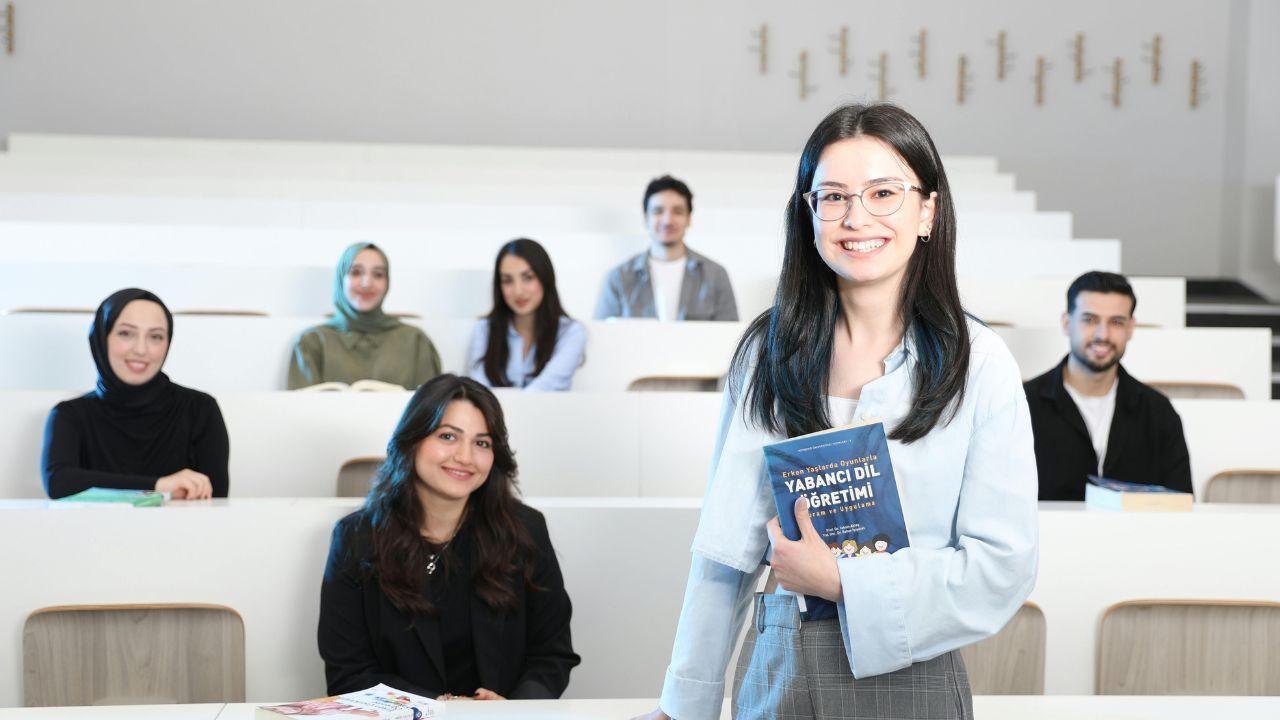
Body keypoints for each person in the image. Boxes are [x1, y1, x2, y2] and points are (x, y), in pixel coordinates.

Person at [633, 104, 1037, 720]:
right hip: (780, 656)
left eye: (883, 193)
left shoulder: (980, 363)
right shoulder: (769, 352)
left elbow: (1001, 568)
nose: (857, 218)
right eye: (834, 196)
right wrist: (683, 702)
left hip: (916, 669)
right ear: (809, 212)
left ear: (927, 210)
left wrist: (845, 582)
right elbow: (725, 553)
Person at [318, 374, 579, 701]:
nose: (465, 457)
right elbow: (349, 674)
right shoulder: (356, 538)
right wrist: (436, 709)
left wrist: (512, 709)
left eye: (481, 443)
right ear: (412, 440)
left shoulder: (525, 529)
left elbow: (552, 654)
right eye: (448, 436)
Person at [41, 288, 229, 500]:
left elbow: (216, 500)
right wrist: (159, 486)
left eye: (155, 337)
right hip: (94, 533)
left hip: (181, 533)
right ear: (102, 337)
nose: (141, 349)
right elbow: (59, 483)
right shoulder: (70, 415)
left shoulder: (200, 409)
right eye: (126, 333)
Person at [1024, 271, 1192, 500]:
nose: (1103, 334)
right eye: (1090, 320)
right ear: (1066, 323)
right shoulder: (1024, 405)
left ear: (1130, 328)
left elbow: (1181, 506)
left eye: (1116, 322)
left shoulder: (1158, 412)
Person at [289, 242, 442, 390]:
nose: (367, 283)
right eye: (356, 272)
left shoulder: (416, 342)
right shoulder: (312, 342)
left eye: (378, 274)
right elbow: (302, 412)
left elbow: (430, 410)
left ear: (387, 282)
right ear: (341, 278)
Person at [594, 175, 738, 321]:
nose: (668, 220)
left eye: (678, 211)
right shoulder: (617, 278)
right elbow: (604, 337)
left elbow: (730, 336)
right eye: (658, 211)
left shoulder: (716, 275)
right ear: (646, 217)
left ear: (689, 218)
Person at [467, 239, 587, 391]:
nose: (518, 291)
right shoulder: (484, 330)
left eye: (528, 278)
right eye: (507, 280)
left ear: (545, 278)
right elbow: (479, 393)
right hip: (494, 415)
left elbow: (546, 388)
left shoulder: (571, 332)